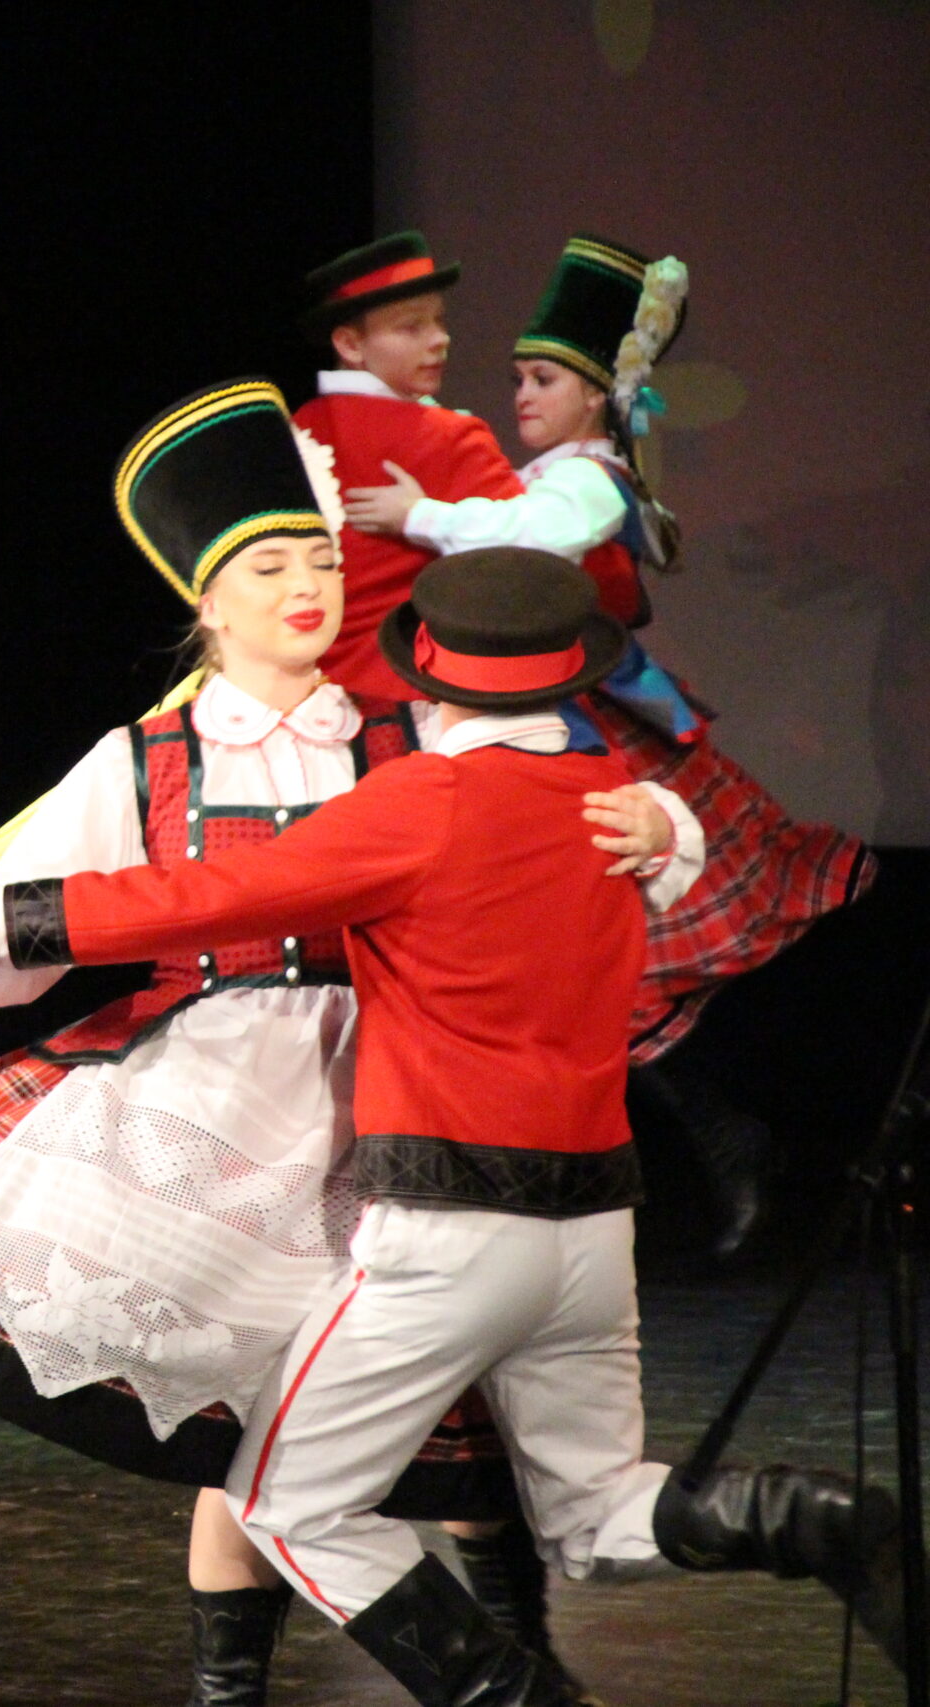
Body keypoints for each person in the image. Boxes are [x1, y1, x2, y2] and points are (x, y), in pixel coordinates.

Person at [0, 381, 691, 1706]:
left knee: (449, 1446)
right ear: (209, 601)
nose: (307, 585)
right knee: (245, 1447)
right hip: (219, 1110)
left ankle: (524, 1669)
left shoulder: (413, 738)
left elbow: (577, 809)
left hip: (393, 1109)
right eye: (269, 566)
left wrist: (663, 829)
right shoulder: (148, 756)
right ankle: (246, 1689)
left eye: (322, 560)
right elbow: (24, 935)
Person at [0, 550, 909, 1706]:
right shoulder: (609, 803)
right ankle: (822, 1517)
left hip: (450, 1234)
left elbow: (208, 895)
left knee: (285, 1504)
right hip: (591, 1239)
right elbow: (683, 845)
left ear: (427, 676)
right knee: (596, 1517)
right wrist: (669, 829)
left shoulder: (419, 802)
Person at [342, 232, 878, 1261]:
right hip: (533, 733)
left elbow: (531, 540)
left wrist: (423, 513)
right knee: (573, 972)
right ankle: (652, 1161)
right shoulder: (546, 474)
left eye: (542, 379)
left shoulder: (591, 479)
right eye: (517, 378)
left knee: (610, 967)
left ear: (596, 394)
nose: (522, 395)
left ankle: (688, 1155)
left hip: (594, 744)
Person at [289, 231, 524, 701]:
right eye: (411, 327)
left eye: (439, 320)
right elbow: (530, 568)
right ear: (350, 344)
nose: (440, 339)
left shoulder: (295, 431)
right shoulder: (449, 437)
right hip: (414, 692)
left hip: (307, 698)